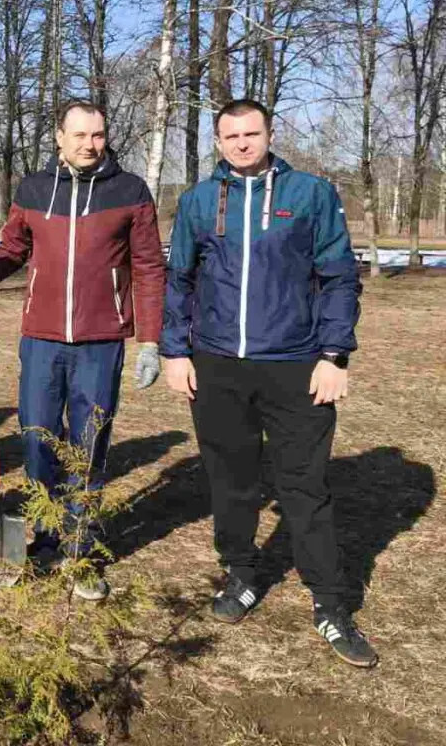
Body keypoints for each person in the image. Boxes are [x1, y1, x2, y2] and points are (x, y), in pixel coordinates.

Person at [160, 98, 374, 667]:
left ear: (269, 133)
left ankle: (331, 603)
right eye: (230, 136)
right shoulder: (201, 201)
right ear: (219, 141)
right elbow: (179, 280)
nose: (241, 144)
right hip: (217, 365)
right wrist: (174, 351)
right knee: (231, 479)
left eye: (250, 133)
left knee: (304, 485)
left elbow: (338, 277)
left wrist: (334, 355)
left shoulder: (309, 195)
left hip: (296, 365)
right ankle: (241, 574)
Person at [0, 100, 165, 600]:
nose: (89, 145)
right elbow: (13, 248)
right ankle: (46, 535)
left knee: (88, 445)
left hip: (100, 341)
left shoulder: (129, 190)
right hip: (43, 340)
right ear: (59, 137)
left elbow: (148, 267)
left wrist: (151, 342)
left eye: (97, 135)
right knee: (36, 440)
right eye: (79, 135)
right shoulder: (34, 189)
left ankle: (80, 544)